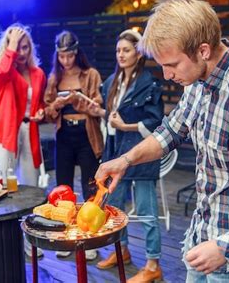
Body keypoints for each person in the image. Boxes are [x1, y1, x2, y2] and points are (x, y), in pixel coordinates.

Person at [95, 0, 229, 283]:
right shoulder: (198, 80)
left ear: (204, 50)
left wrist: (228, 247)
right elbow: (170, 131)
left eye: (171, 64)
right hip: (201, 236)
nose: (167, 75)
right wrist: (125, 160)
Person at [90, 29, 164, 282]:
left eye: (126, 50)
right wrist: (97, 111)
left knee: (145, 210)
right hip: (115, 151)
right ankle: (121, 253)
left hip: (141, 154)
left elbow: (156, 122)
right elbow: (111, 119)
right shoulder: (112, 81)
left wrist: (127, 126)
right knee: (113, 207)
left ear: (139, 53)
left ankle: (153, 264)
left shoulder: (149, 82)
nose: (121, 54)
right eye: (118, 50)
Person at [44, 30, 103, 260]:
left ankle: (88, 240)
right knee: (62, 188)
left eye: (69, 56)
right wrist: (57, 105)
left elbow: (97, 107)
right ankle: (65, 236)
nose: (66, 61)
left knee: (90, 185)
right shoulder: (54, 78)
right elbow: (48, 112)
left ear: (77, 53)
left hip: (86, 134)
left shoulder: (91, 75)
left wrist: (75, 99)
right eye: (61, 56)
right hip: (64, 135)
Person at [0, 24, 46, 257]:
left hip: (29, 129)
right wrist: (10, 45)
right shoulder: (2, 70)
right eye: (16, 47)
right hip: (5, 132)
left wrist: (40, 111)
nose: (21, 52)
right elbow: (2, 71)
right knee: (2, 188)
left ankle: (30, 241)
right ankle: (4, 241)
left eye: (25, 47)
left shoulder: (38, 74)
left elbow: (38, 102)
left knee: (31, 187)